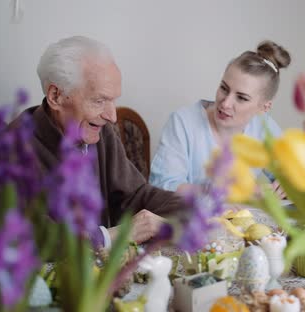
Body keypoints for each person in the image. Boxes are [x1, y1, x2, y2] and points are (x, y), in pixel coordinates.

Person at [11, 36, 181, 245]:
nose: (113, 116)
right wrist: (112, 237)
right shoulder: (11, 147)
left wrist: (195, 210)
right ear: (56, 96)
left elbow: (136, 195)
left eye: (113, 100)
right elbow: (27, 237)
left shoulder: (100, 132)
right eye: (100, 100)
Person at [149, 41, 290, 194]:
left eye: (241, 98)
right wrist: (220, 192)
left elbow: (289, 173)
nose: (226, 103)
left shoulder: (266, 127)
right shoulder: (182, 123)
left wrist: (287, 184)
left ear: (264, 107)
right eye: (224, 88)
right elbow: (161, 187)